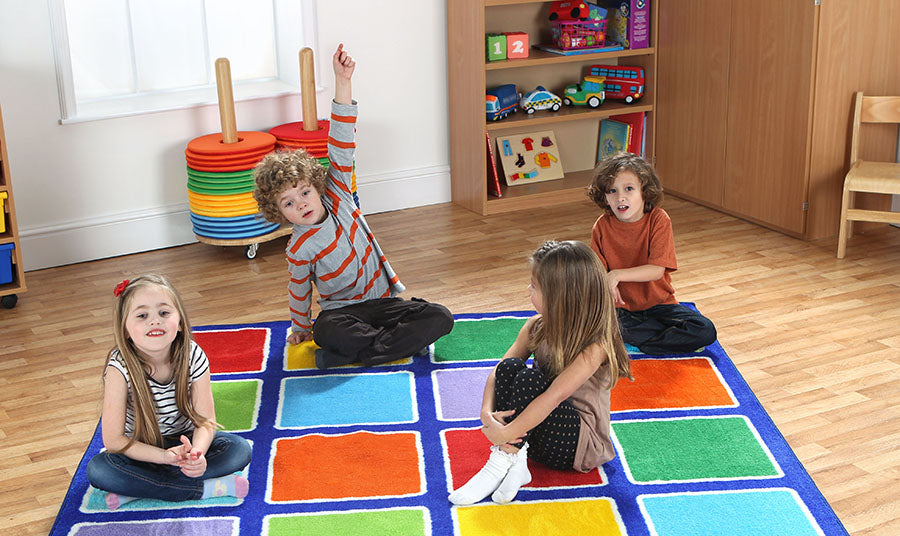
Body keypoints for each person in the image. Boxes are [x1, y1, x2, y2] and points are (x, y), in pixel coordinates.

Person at [253, 44, 453, 368]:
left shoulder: (339, 192)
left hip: (384, 305)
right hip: (344, 315)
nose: (301, 204)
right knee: (325, 329)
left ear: (315, 185)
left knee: (440, 317)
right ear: (279, 213)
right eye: (288, 203)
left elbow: (342, 138)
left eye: (304, 192)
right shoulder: (299, 248)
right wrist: (301, 329)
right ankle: (391, 348)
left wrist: (342, 80)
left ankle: (349, 356)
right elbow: (299, 292)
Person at [449, 240, 632, 506]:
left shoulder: (596, 346)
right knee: (512, 368)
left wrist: (503, 435)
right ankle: (515, 460)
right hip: (536, 435)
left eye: (534, 287)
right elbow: (498, 371)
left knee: (530, 379)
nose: (528, 290)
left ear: (561, 297)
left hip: (576, 446)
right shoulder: (536, 326)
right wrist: (486, 413)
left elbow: (554, 397)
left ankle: (502, 458)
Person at [86, 275, 252, 510]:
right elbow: (113, 441)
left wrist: (197, 455)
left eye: (164, 313)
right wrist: (163, 457)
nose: (155, 321)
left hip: (184, 442)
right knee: (99, 469)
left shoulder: (193, 354)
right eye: (142, 316)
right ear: (125, 329)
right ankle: (204, 489)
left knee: (239, 450)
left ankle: (139, 490)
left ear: (181, 322)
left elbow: (206, 421)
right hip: (142, 449)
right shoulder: (119, 368)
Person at [587, 152, 716, 356]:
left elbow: (656, 270)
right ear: (604, 196)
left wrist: (617, 274)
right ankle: (663, 340)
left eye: (629, 189)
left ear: (645, 192)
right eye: (612, 191)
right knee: (602, 322)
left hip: (660, 306)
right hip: (622, 311)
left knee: (705, 330)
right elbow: (597, 274)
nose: (620, 197)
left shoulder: (659, 219)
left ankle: (641, 342)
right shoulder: (602, 226)